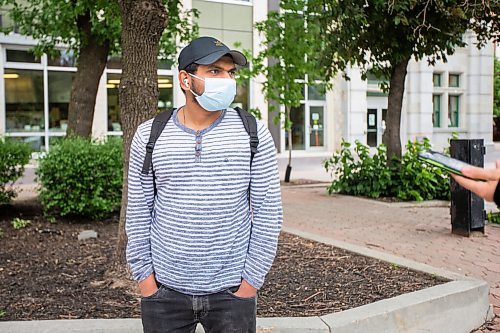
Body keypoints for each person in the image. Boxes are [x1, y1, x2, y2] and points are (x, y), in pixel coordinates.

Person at [125, 36, 283, 333]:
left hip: (232, 294)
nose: (226, 80)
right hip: (164, 293)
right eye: (214, 71)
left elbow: (267, 212)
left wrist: (250, 284)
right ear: (186, 79)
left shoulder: (253, 132)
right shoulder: (150, 135)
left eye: (230, 72)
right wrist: (146, 282)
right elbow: (138, 212)